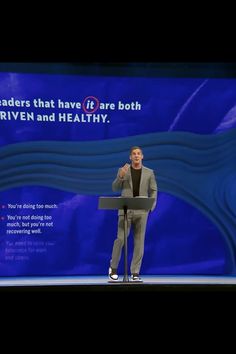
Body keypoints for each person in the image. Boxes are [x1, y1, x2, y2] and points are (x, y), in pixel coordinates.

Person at [109, 146, 158, 282]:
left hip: (142, 211)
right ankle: (113, 268)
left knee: (139, 242)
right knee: (120, 239)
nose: (136, 156)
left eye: (138, 154)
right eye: (133, 154)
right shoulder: (123, 170)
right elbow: (115, 187)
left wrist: (150, 206)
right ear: (130, 157)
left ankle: (135, 272)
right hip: (125, 210)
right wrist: (121, 176)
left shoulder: (149, 173)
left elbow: (153, 190)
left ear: (142, 156)